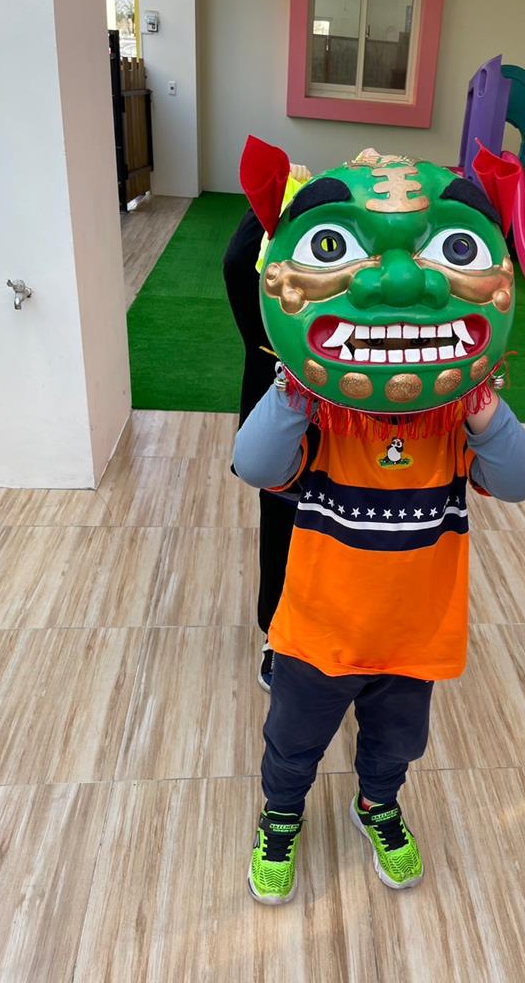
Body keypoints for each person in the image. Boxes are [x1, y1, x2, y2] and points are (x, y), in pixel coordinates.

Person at [233, 143, 525, 905]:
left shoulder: (451, 426)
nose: (401, 285)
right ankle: (281, 815)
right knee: (293, 741)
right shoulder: (324, 423)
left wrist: (482, 408)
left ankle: (377, 804)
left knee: (397, 743)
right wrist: (297, 385)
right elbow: (255, 463)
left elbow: (521, 481)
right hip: (318, 634)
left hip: (412, 637)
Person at [222, 165, 311, 690]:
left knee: (341, 535)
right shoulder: (266, 315)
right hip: (285, 432)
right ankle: (277, 634)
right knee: (282, 527)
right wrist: (270, 213)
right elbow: (238, 263)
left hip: (352, 438)